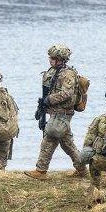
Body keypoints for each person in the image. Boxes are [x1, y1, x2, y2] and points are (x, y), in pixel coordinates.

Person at [24, 45, 87, 180]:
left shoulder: (68, 74)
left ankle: (41, 170)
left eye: (53, 58)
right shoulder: (53, 71)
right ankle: (82, 168)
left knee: (49, 139)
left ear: (61, 59)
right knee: (67, 144)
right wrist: (42, 107)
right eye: (50, 57)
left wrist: (49, 100)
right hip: (55, 111)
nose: (50, 60)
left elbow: (67, 93)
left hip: (63, 112)